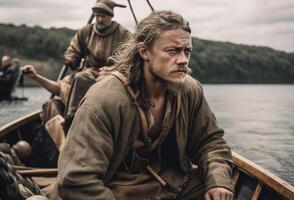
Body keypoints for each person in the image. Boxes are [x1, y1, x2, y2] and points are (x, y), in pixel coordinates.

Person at [52, 11, 234, 200]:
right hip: (116, 190)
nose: (182, 60)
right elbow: (76, 179)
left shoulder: (189, 89)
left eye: (186, 51)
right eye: (172, 51)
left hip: (169, 184)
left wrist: (218, 181)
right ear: (144, 51)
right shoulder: (104, 100)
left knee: (217, 186)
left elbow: (210, 142)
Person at [63, 0, 132, 130]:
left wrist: (114, 68)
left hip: (112, 72)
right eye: (97, 16)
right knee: (80, 78)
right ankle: (72, 120)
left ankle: (105, 122)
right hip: (90, 70)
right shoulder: (85, 31)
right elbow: (74, 50)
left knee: (106, 85)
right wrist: (70, 58)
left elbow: (130, 58)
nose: (100, 19)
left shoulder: (123, 33)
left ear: (110, 16)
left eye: (103, 16)